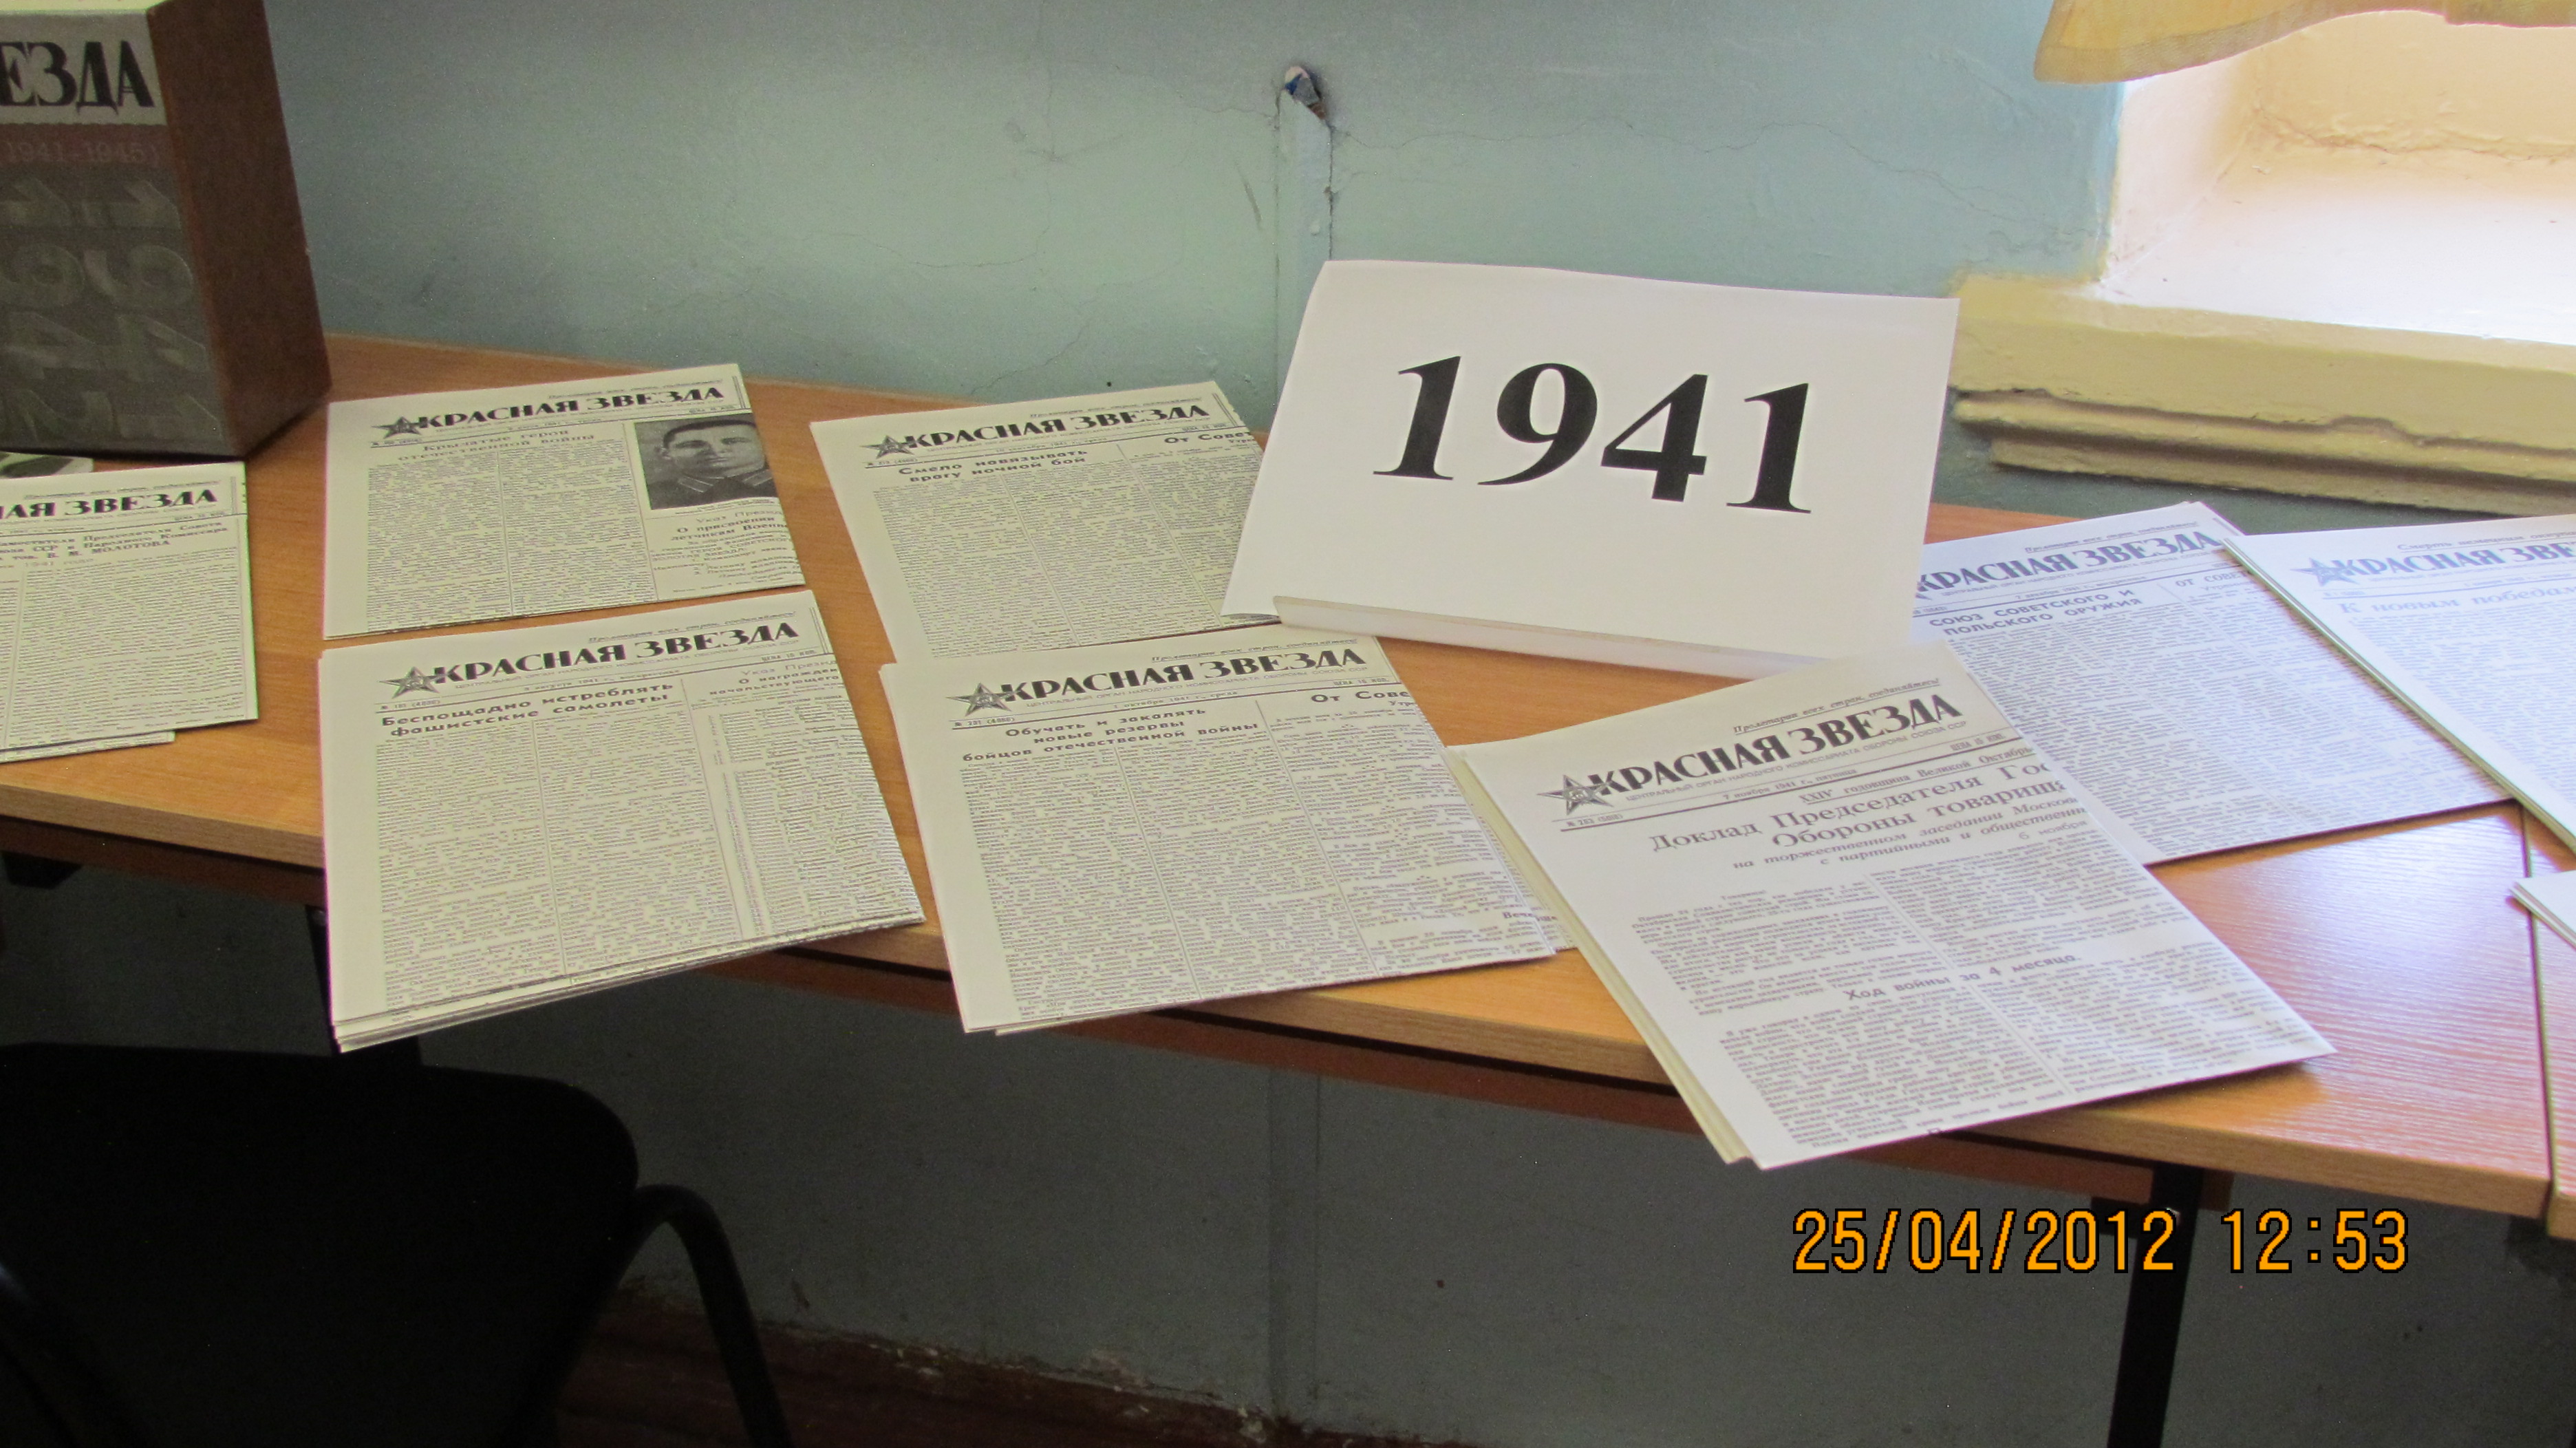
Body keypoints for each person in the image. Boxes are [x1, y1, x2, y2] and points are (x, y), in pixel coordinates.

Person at [645, 416, 775, 509]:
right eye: (693, 445)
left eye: (733, 441)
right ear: (665, 454)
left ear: (763, 444)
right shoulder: (650, 495)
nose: (716, 450)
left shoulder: (781, 484)